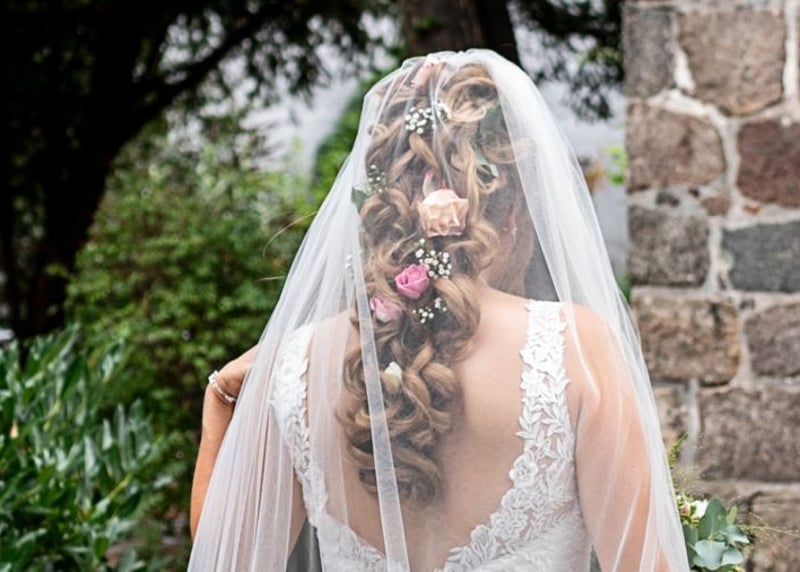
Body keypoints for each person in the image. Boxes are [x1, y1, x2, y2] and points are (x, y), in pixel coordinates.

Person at [189, 50, 690, 571]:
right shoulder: (574, 350)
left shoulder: (301, 366)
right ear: (513, 214)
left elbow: (226, 559)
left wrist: (220, 402)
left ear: (379, 208)